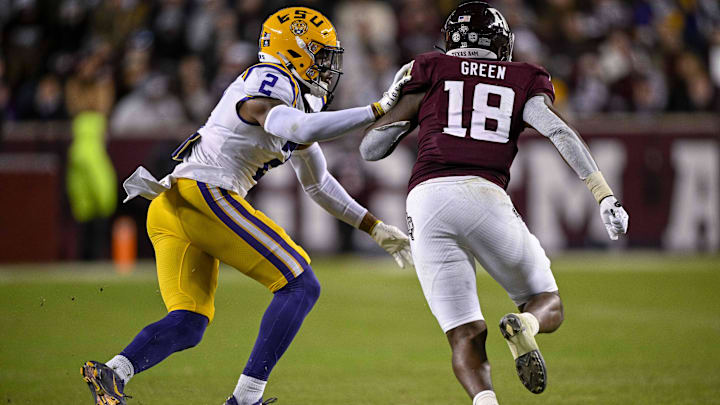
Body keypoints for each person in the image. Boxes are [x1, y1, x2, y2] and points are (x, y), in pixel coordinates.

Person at [81, 6, 413, 405]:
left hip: (175, 205)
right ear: (294, 51)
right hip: (205, 192)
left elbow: (319, 183)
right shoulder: (268, 80)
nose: (327, 66)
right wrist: (377, 110)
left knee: (189, 322)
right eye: (321, 54)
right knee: (300, 284)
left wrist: (375, 227)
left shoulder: (296, 101)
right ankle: (246, 399)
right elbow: (295, 128)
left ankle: (112, 372)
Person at [360, 2, 629, 404]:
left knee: (463, 330)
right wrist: (603, 193)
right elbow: (560, 132)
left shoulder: (431, 69)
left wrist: (390, 101)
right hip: (484, 194)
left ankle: (485, 401)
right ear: (502, 43)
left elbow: (371, 149)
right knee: (546, 302)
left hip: (426, 200)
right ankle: (525, 324)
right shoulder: (523, 77)